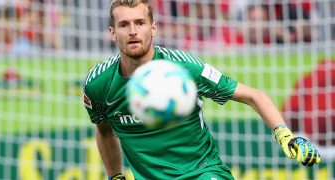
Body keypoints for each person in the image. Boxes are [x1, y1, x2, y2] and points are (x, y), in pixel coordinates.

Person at [82, 0, 321, 179]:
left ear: (153, 28)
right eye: (124, 24)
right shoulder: (98, 84)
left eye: (140, 23)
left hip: (202, 173)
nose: (133, 31)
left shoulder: (184, 68)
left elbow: (253, 95)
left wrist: (285, 136)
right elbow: (104, 131)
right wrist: (116, 177)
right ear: (112, 32)